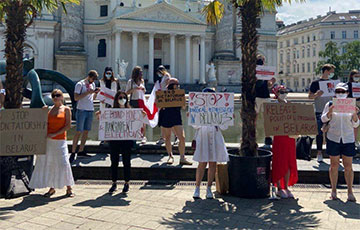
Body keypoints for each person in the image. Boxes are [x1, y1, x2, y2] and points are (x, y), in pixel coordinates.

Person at [29, 89, 75, 197]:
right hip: (49, 140)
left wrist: (55, 134)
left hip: (60, 140)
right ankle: (52, 188)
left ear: (62, 97)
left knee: (64, 163)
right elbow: (42, 123)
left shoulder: (66, 109)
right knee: (50, 163)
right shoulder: (49, 110)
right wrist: (43, 112)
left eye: (58, 95)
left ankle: (69, 188)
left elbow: (68, 126)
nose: (55, 97)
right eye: (53, 95)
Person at [321, 83, 358, 202]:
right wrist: (329, 112)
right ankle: (333, 190)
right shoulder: (330, 104)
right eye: (338, 91)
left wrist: (355, 115)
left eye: (343, 91)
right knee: (334, 165)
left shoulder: (351, 105)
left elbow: (356, 124)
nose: (340, 94)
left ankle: (350, 192)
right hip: (334, 137)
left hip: (348, 138)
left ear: (347, 93)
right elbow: (323, 119)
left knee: (348, 166)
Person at [192, 88, 229, 199]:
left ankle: (209, 188)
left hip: (215, 137)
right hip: (203, 136)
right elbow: (195, 126)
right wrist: (192, 117)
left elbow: (224, 127)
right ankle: (197, 188)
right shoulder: (198, 109)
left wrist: (227, 118)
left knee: (213, 163)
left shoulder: (219, 110)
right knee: (202, 163)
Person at [97, 91, 135, 194]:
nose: (122, 99)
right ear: (116, 100)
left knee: (127, 162)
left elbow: (137, 122)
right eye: (120, 97)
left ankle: (127, 182)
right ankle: (114, 182)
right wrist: (100, 116)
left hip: (126, 140)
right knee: (114, 162)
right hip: (115, 140)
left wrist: (142, 115)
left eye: (124, 97)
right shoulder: (111, 111)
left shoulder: (130, 111)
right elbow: (105, 123)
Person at [271, 85, 298, 199]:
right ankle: (278, 187)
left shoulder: (289, 104)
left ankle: (286, 186)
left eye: (285, 91)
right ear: (276, 93)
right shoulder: (273, 105)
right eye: (281, 92)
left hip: (289, 136)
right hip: (279, 136)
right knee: (279, 161)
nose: (284, 93)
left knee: (288, 162)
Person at [70, 70, 100, 163]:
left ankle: (81, 150)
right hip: (81, 110)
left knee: (86, 131)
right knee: (79, 131)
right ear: (89, 76)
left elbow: (92, 98)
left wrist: (95, 93)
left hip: (90, 109)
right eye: (92, 79)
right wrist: (87, 92)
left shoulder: (93, 84)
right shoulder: (80, 84)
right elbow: (76, 98)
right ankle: (73, 151)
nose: (93, 81)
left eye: (94, 79)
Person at [309, 64, 336, 162]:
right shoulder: (316, 83)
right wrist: (317, 94)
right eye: (331, 71)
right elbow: (310, 96)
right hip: (320, 110)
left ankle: (332, 154)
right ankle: (319, 153)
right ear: (326, 71)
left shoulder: (333, 83)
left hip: (332, 112)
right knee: (319, 132)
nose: (332, 74)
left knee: (331, 133)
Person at [161, 78, 192, 165]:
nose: (177, 86)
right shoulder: (164, 94)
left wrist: (183, 102)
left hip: (176, 116)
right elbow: (159, 105)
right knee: (168, 137)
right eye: (176, 85)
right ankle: (170, 156)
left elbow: (183, 107)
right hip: (166, 116)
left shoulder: (180, 95)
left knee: (182, 137)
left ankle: (182, 157)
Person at [255, 54, 276, 149]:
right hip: (256, 96)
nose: (261, 62)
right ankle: (253, 137)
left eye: (262, 60)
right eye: (260, 60)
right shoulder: (253, 71)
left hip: (265, 95)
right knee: (254, 117)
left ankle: (268, 138)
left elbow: (268, 85)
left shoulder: (266, 72)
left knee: (267, 118)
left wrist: (272, 82)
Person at [156, 65, 178, 146]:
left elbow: (168, 86)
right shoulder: (163, 77)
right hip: (162, 99)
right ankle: (162, 137)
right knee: (162, 120)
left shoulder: (167, 76)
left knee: (168, 120)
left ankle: (175, 136)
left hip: (166, 100)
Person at [126, 66, 147, 144]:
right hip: (133, 101)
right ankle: (133, 136)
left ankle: (143, 136)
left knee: (142, 119)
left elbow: (144, 91)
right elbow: (127, 92)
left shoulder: (142, 81)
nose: (141, 73)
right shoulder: (130, 81)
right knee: (133, 119)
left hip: (141, 101)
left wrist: (142, 89)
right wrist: (134, 89)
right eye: (139, 72)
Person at [347, 69, 360, 147]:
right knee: (349, 123)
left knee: (357, 123)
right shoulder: (347, 85)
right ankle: (350, 140)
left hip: (359, 103)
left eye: (359, 76)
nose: (357, 77)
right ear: (351, 76)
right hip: (350, 104)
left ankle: (355, 140)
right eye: (356, 76)